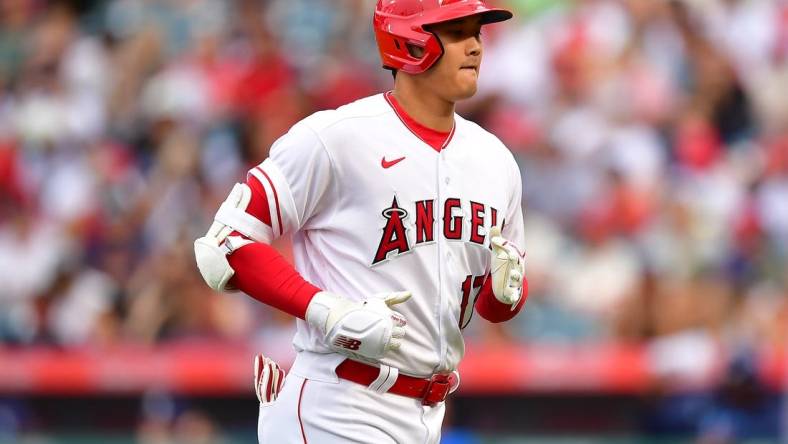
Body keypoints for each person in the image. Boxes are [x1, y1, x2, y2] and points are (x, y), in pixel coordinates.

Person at [194, 1, 528, 442]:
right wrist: (326, 311)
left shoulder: (495, 160)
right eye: (457, 32)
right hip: (337, 402)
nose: (474, 47)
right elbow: (224, 245)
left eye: (477, 33)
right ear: (410, 40)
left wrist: (505, 293)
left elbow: (493, 308)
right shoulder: (339, 137)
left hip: (427, 412)